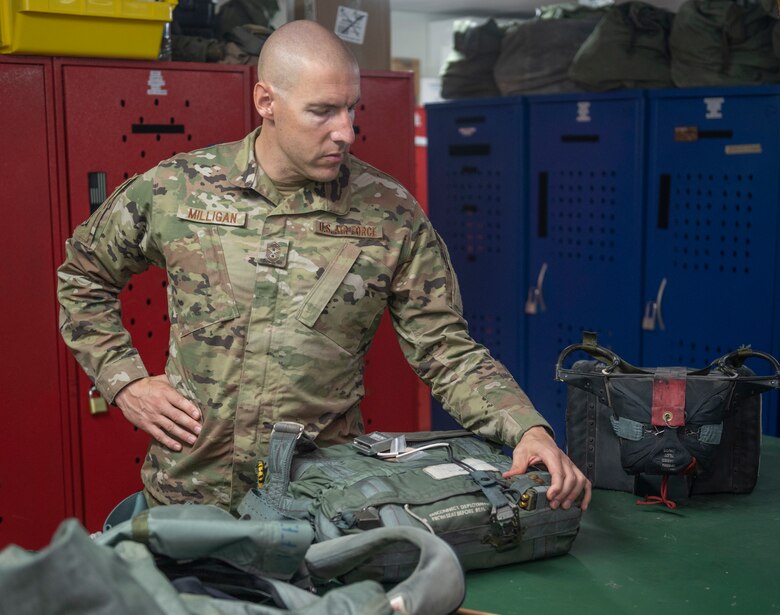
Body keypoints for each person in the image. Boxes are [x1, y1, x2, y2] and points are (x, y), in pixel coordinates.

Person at [58, 20, 591, 515]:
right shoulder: (178, 188)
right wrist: (124, 382)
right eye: (323, 111)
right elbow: (83, 276)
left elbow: (444, 349)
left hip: (320, 504)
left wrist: (526, 428)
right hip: (188, 496)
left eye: (351, 109)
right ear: (266, 101)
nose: (346, 132)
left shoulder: (388, 212)